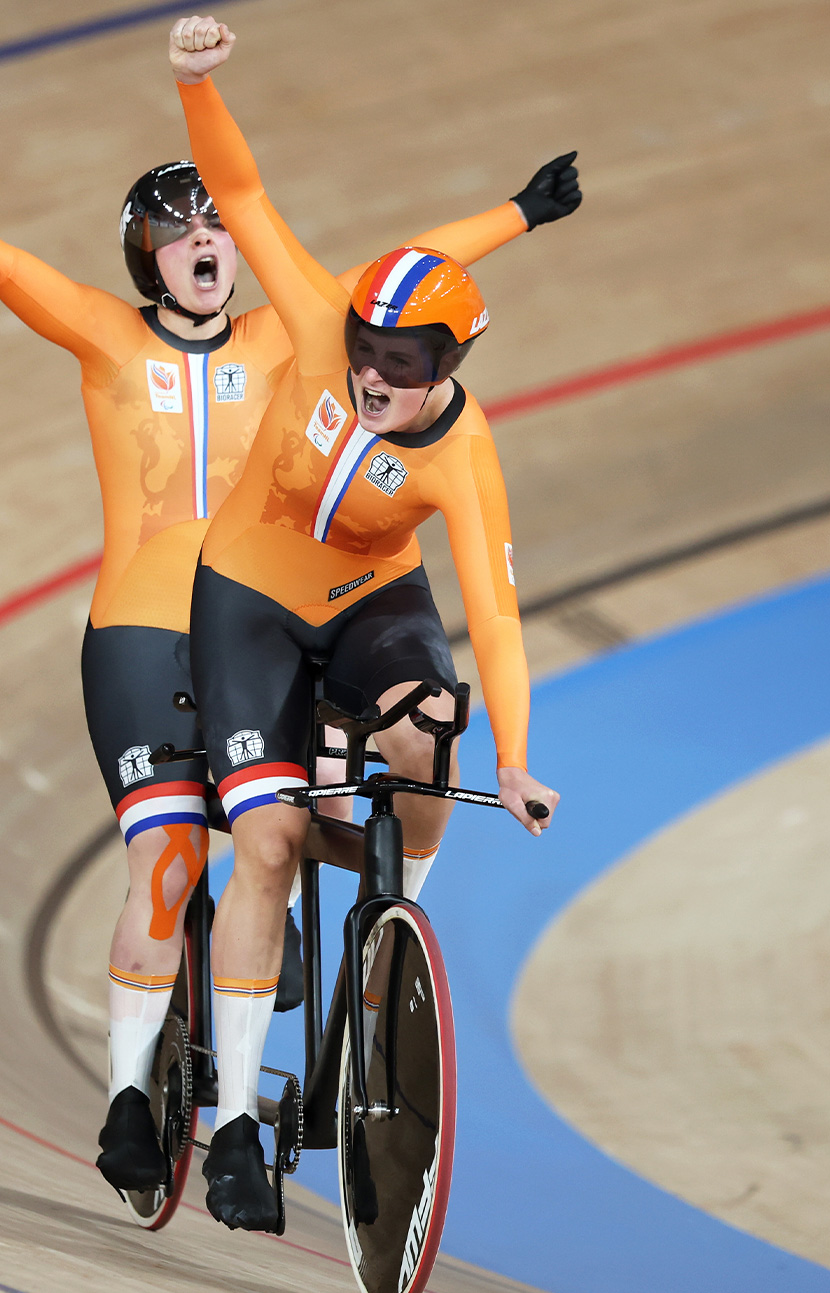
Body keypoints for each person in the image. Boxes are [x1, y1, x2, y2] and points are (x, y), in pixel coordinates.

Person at [0, 95, 580, 1197]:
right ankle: (132, 1096)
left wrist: (518, 213)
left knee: (305, 821)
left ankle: (294, 949)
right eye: (176, 236)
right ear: (148, 263)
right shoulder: (101, 335)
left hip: (270, 606)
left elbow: (391, 274)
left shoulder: (292, 336)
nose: (202, 245)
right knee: (170, 858)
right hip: (147, 626)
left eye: (208, 228)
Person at [165, 15, 570, 1231]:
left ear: (450, 363)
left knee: (427, 732)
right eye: (364, 345)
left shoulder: (465, 456)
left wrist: (511, 755)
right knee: (274, 843)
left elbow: (493, 613)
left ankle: (393, 925)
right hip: (245, 594)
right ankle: (236, 1119)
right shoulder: (314, 312)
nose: (372, 369)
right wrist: (193, 87)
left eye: (401, 356)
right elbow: (240, 189)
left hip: (365, 599)